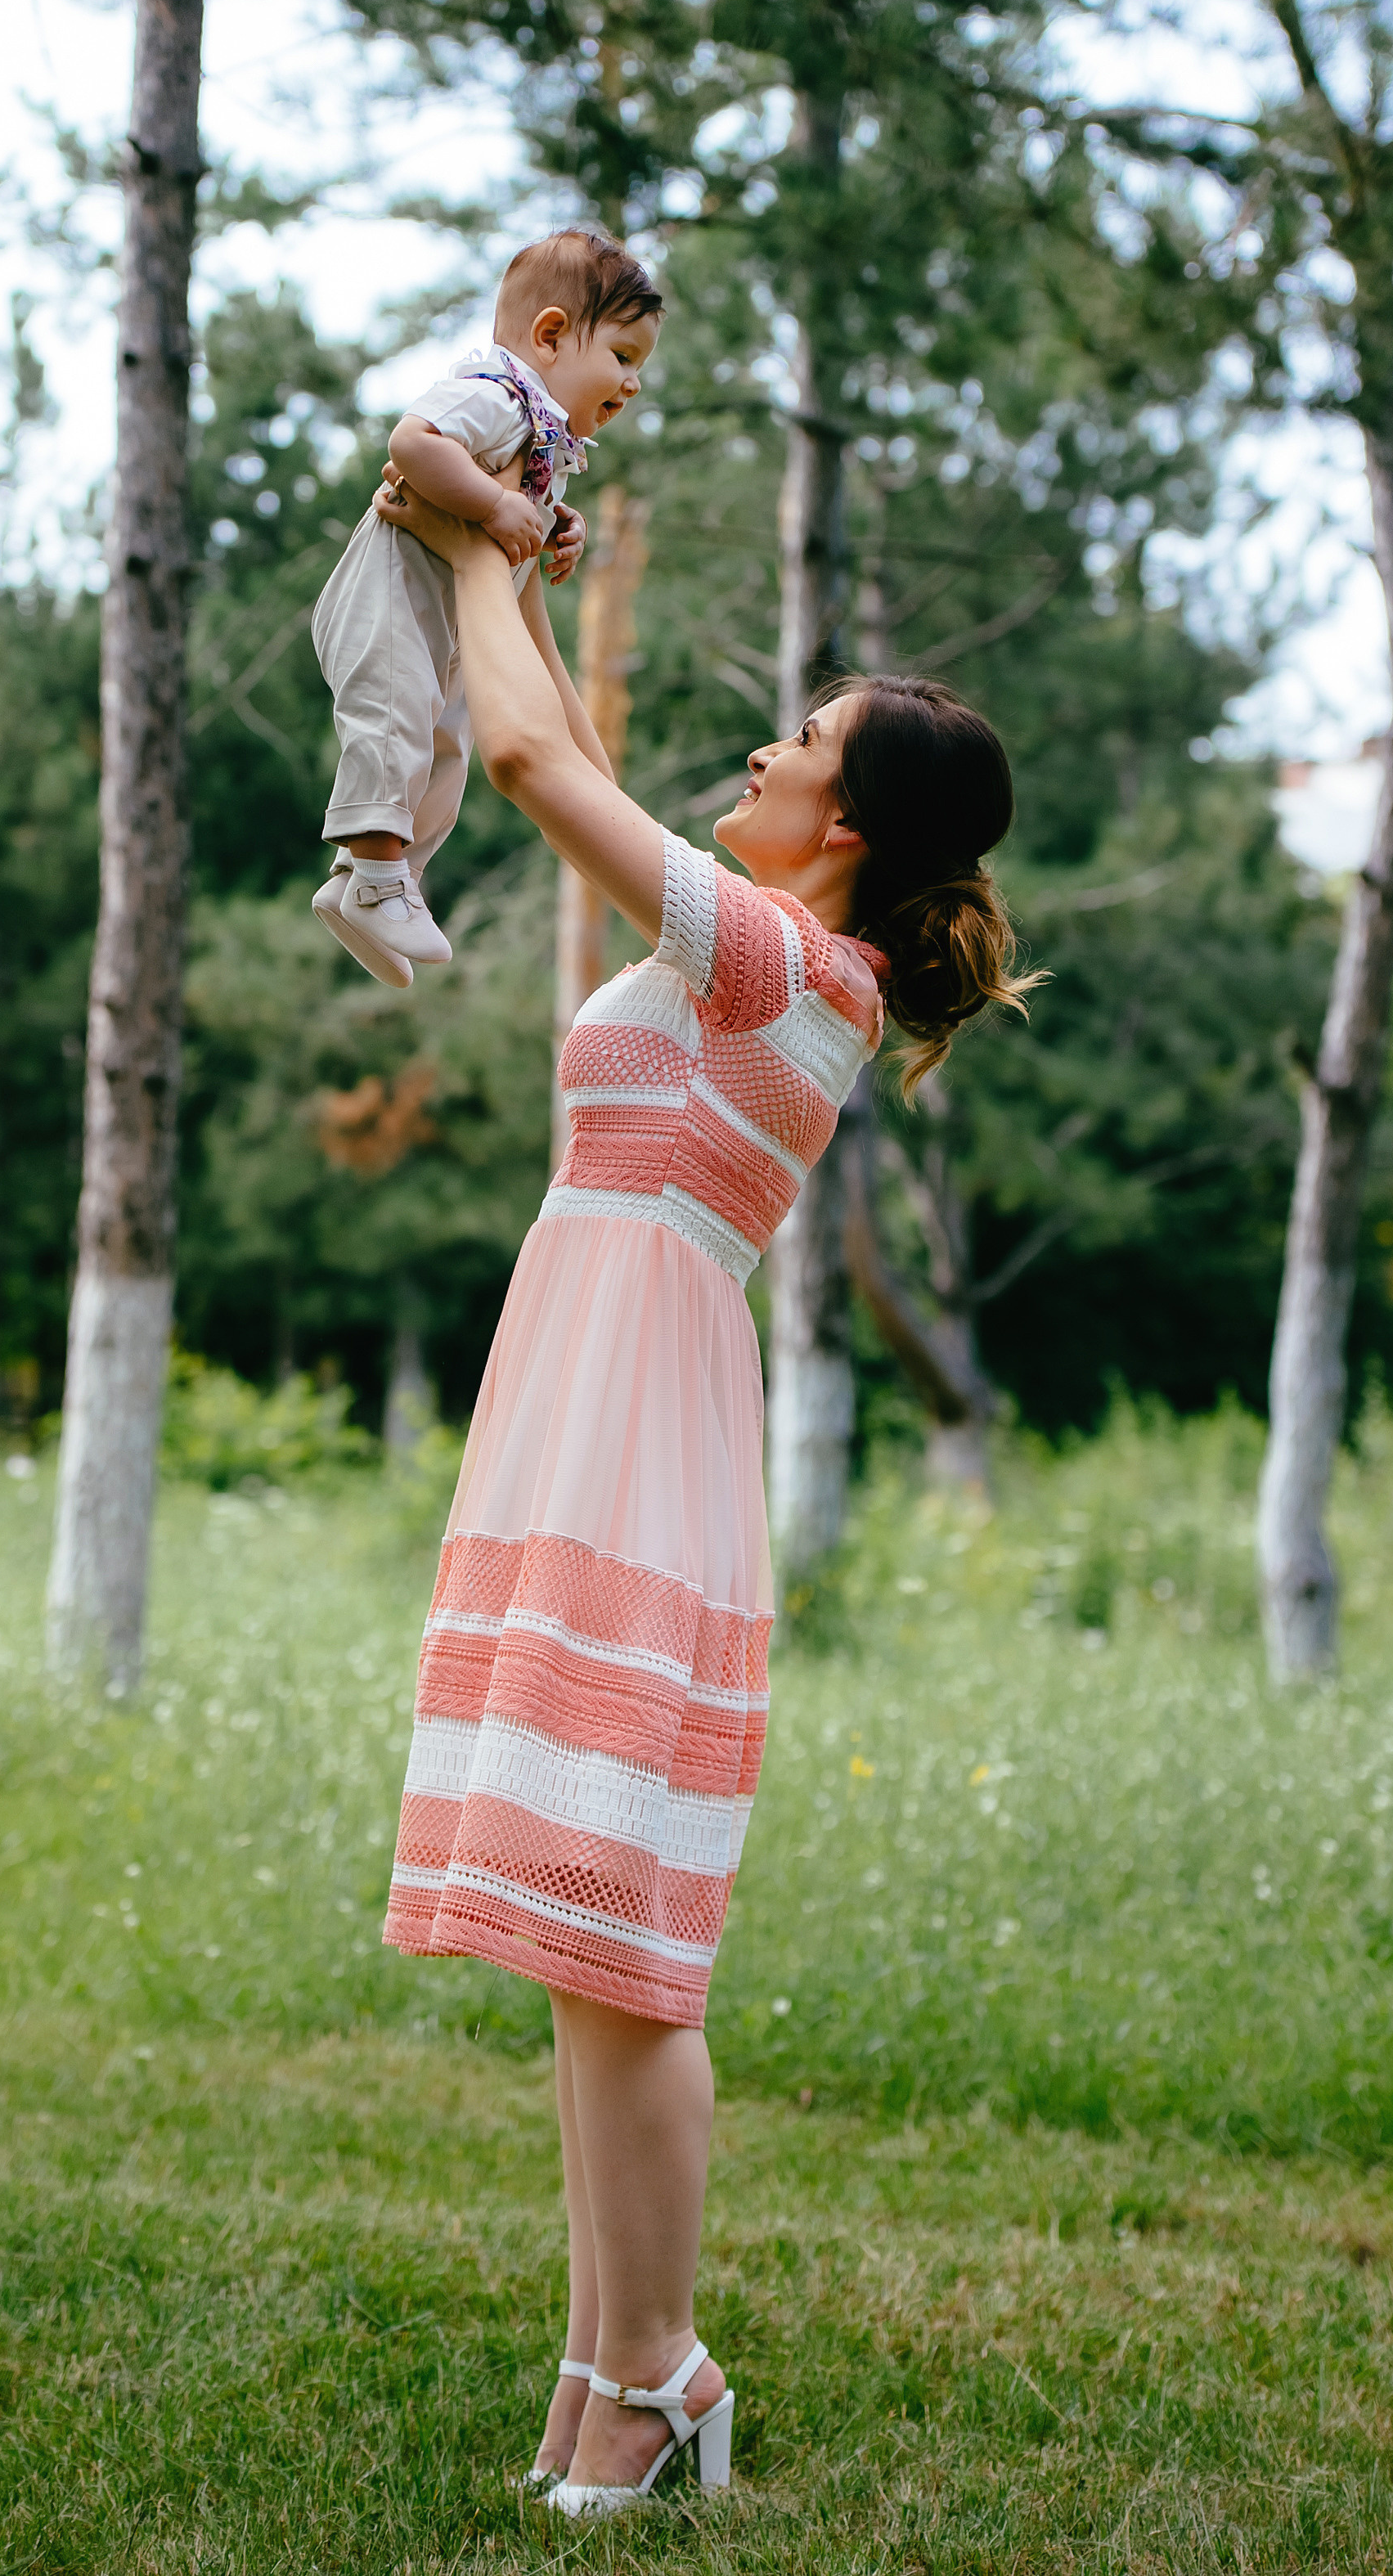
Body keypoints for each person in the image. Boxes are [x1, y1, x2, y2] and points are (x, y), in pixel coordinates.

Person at [374, 474, 1036, 2515]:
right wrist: (518, 548)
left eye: (799, 738)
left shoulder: (777, 966)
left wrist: (471, 539)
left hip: (636, 1437)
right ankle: (609, 2377)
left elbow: (514, 754)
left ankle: (659, 2372)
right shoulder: (768, 947)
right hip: (594, 1404)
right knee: (584, 1947)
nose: (757, 747)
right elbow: (555, 741)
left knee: (626, 1948)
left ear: (838, 829)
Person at [309, 227, 663, 987]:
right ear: (550, 336)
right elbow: (413, 444)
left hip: (436, 623)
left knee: (444, 748)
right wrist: (494, 510)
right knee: (397, 719)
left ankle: (362, 886)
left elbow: (516, 515)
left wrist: (554, 528)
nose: (632, 384)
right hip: (389, 601)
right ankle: (377, 877)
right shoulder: (495, 395)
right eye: (623, 357)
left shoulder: (545, 443)